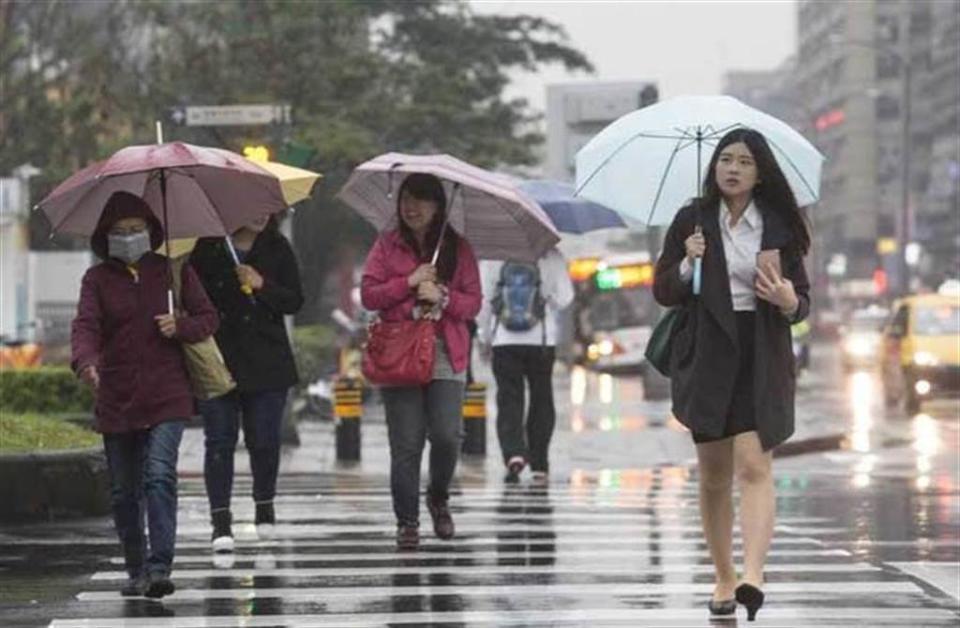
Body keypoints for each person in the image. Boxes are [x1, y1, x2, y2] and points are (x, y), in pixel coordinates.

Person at [652, 128, 811, 621]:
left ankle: (753, 575)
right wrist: (686, 262)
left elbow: (802, 300)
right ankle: (723, 575)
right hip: (707, 353)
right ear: (714, 167)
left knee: (754, 464)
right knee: (715, 473)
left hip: (760, 351)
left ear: (760, 172)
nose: (733, 168)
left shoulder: (780, 225)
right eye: (726, 159)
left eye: (744, 161)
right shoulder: (692, 219)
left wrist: (788, 301)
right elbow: (663, 289)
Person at [71, 191, 219, 598]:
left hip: (168, 395)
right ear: (105, 237)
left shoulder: (173, 272)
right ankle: (135, 567)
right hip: (116, 397)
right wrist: (86, 363)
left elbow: (209, 317)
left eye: (136, 229)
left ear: (151, 230)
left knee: (158, 475)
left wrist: (181, 325)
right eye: (119, 231)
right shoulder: (96, 280)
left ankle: (159, 568)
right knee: (123, 492)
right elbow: (85, 327)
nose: (128, 237)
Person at [360, 172, 482, 550]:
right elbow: (369, 295)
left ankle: (438, 496)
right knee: (407, 443)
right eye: (406, 199)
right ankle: (407, 522)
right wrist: (409, 283)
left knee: (447, 435)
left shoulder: (457, 249)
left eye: (422, 200)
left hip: (446, 349)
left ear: (438, 206)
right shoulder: (387, 245)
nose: (412, 208)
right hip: (401, 351)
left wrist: (443, 297)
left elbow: (473, 303)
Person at [189, 213, 304, 552]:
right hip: (220, 359)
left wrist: (261, 284)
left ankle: (264, 504)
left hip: (267, 361)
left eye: (266, 206)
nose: (258, 213)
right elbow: (192, 299)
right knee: (220, 441)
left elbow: (295, 299)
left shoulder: (277, 247)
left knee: (265, 440)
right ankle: (220, 520)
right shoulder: (208, 247)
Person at [477, 248, 574, 483]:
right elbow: (565, 298)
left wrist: (485, 337)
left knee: (509, 398)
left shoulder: (493, 257)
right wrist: (546, 295)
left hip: (504, 341)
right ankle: (539, 463)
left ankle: (513, 454)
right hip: (542, 340)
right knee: (542, 397)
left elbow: (484, 302)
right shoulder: (552, 255)